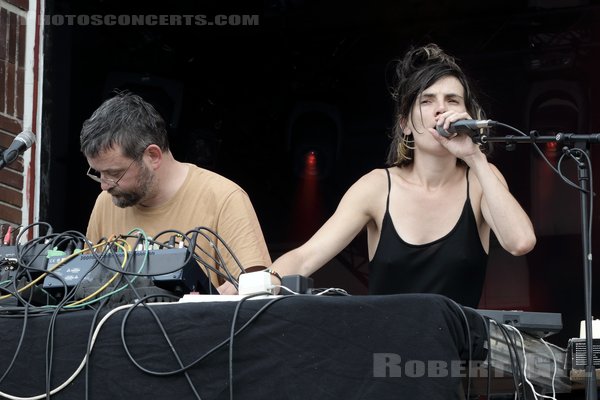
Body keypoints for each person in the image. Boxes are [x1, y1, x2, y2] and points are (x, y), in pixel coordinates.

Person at [264, 43, 536, 307]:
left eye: (452, 100)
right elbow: (305, 257)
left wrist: (475, 156)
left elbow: (520, 242)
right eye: (426, 100)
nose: (441, 109)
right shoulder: (376, 187)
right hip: (384, 349)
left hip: (457, 350)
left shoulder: (480, 179)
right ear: (405, 124)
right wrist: (259, 283)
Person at [80, 92, 271, 290]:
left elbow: (256, 295)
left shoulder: (224, 198)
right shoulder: (105, 202)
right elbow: (86, 290)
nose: (105, 185)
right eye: (98, 173)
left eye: (114, 173)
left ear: (153, 156)